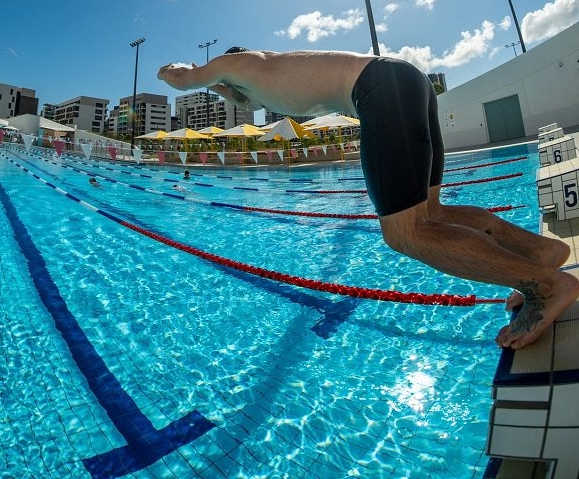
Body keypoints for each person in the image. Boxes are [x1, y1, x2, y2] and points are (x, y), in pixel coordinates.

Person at [158, 48, 579, 350]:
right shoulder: (256, 77)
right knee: (431, 213)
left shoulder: (237, 60)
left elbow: (183, 78)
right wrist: (220, 85)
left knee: (405, 233)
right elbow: (240, 97)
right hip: (406, 81)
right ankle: (542, 252)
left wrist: (179, 70)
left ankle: (545, 286)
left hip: (377, 90)